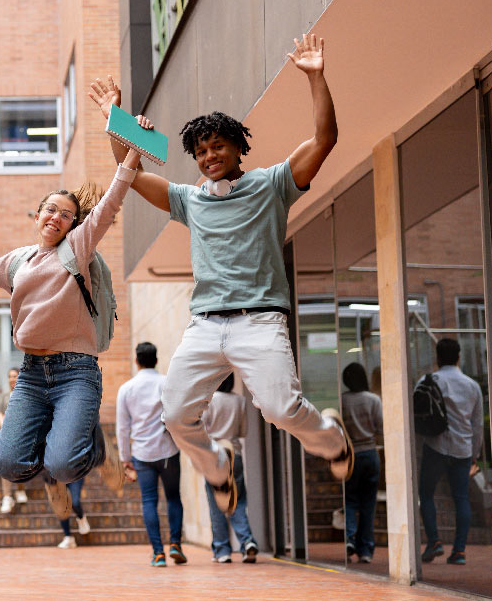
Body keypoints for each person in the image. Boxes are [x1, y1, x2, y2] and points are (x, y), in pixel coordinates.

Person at [89, 33, 353, 516]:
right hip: (206, 325)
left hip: (259, 322)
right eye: (201, 152)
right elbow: (133, 172)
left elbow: (325, 139)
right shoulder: (189, 200)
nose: (210, 157)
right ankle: (217, 468)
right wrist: (116, 120)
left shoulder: (273, 184)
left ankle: (332, 439)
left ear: (237, 148)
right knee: (174, 414)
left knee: (280, 410)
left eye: (218, 147)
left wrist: (316, 76)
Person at [0, 112, 142, 521]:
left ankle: (97, 452)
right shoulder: (17, 261)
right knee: (8, 464)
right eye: (49, 209)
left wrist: (130, 153)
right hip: (30, 373)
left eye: (65, 214)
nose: (55, 217)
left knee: (63, 462)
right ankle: (58, 470)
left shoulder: (78, 248)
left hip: (76, 371)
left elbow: (111, 201)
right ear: (37, 214)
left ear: (73, 224)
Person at [117, 341, 185, 567]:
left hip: (142, 454)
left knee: (149, 501)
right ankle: (175, 543)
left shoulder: (126, 389)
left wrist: (125, 458)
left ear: (136, 361)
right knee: (173, 497)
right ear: (156, 360)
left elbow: (122, 428)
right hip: (168, 451)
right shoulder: (167, 383)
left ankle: (158, 553)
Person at [418, 338, 483, 566]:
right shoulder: (472, 385)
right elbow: (478, 425)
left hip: (435, 446)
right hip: (463, 449)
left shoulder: (427, 381)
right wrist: (474, 453)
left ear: (437, 357)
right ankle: (459, 552)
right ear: (459, 357)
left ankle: (434, 541)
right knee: (461, 498)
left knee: (426, 494)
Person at [202, 373, 259, 564]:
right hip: (236, 454)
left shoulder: (209, 401)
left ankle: (222, 549)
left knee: (216, 504)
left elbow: (202, 430)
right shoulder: (241, 401)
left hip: (214, 456)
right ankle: (247, 542)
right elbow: (243, 431)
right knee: (238, 501)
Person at [341, 362, 383, 563]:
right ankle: (365, 550)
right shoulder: (373, 399)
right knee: (368, 504)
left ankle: (349, 538)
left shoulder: (342, 401)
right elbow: (381, 426)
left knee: (349, 499)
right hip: (370, 453)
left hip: (350, 456)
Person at [0, 368, 29, 514]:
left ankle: (20, 490)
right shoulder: (5, 396)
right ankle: (7, 497)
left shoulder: (27, 395)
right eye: (10, 376)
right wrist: (3, 425)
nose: (12, 379)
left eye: (15, 376)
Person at [56, 478, 91, 549]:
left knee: (75, 502)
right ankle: (68, 537)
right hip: (58, 477)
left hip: (75, 475)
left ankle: (81, 518)